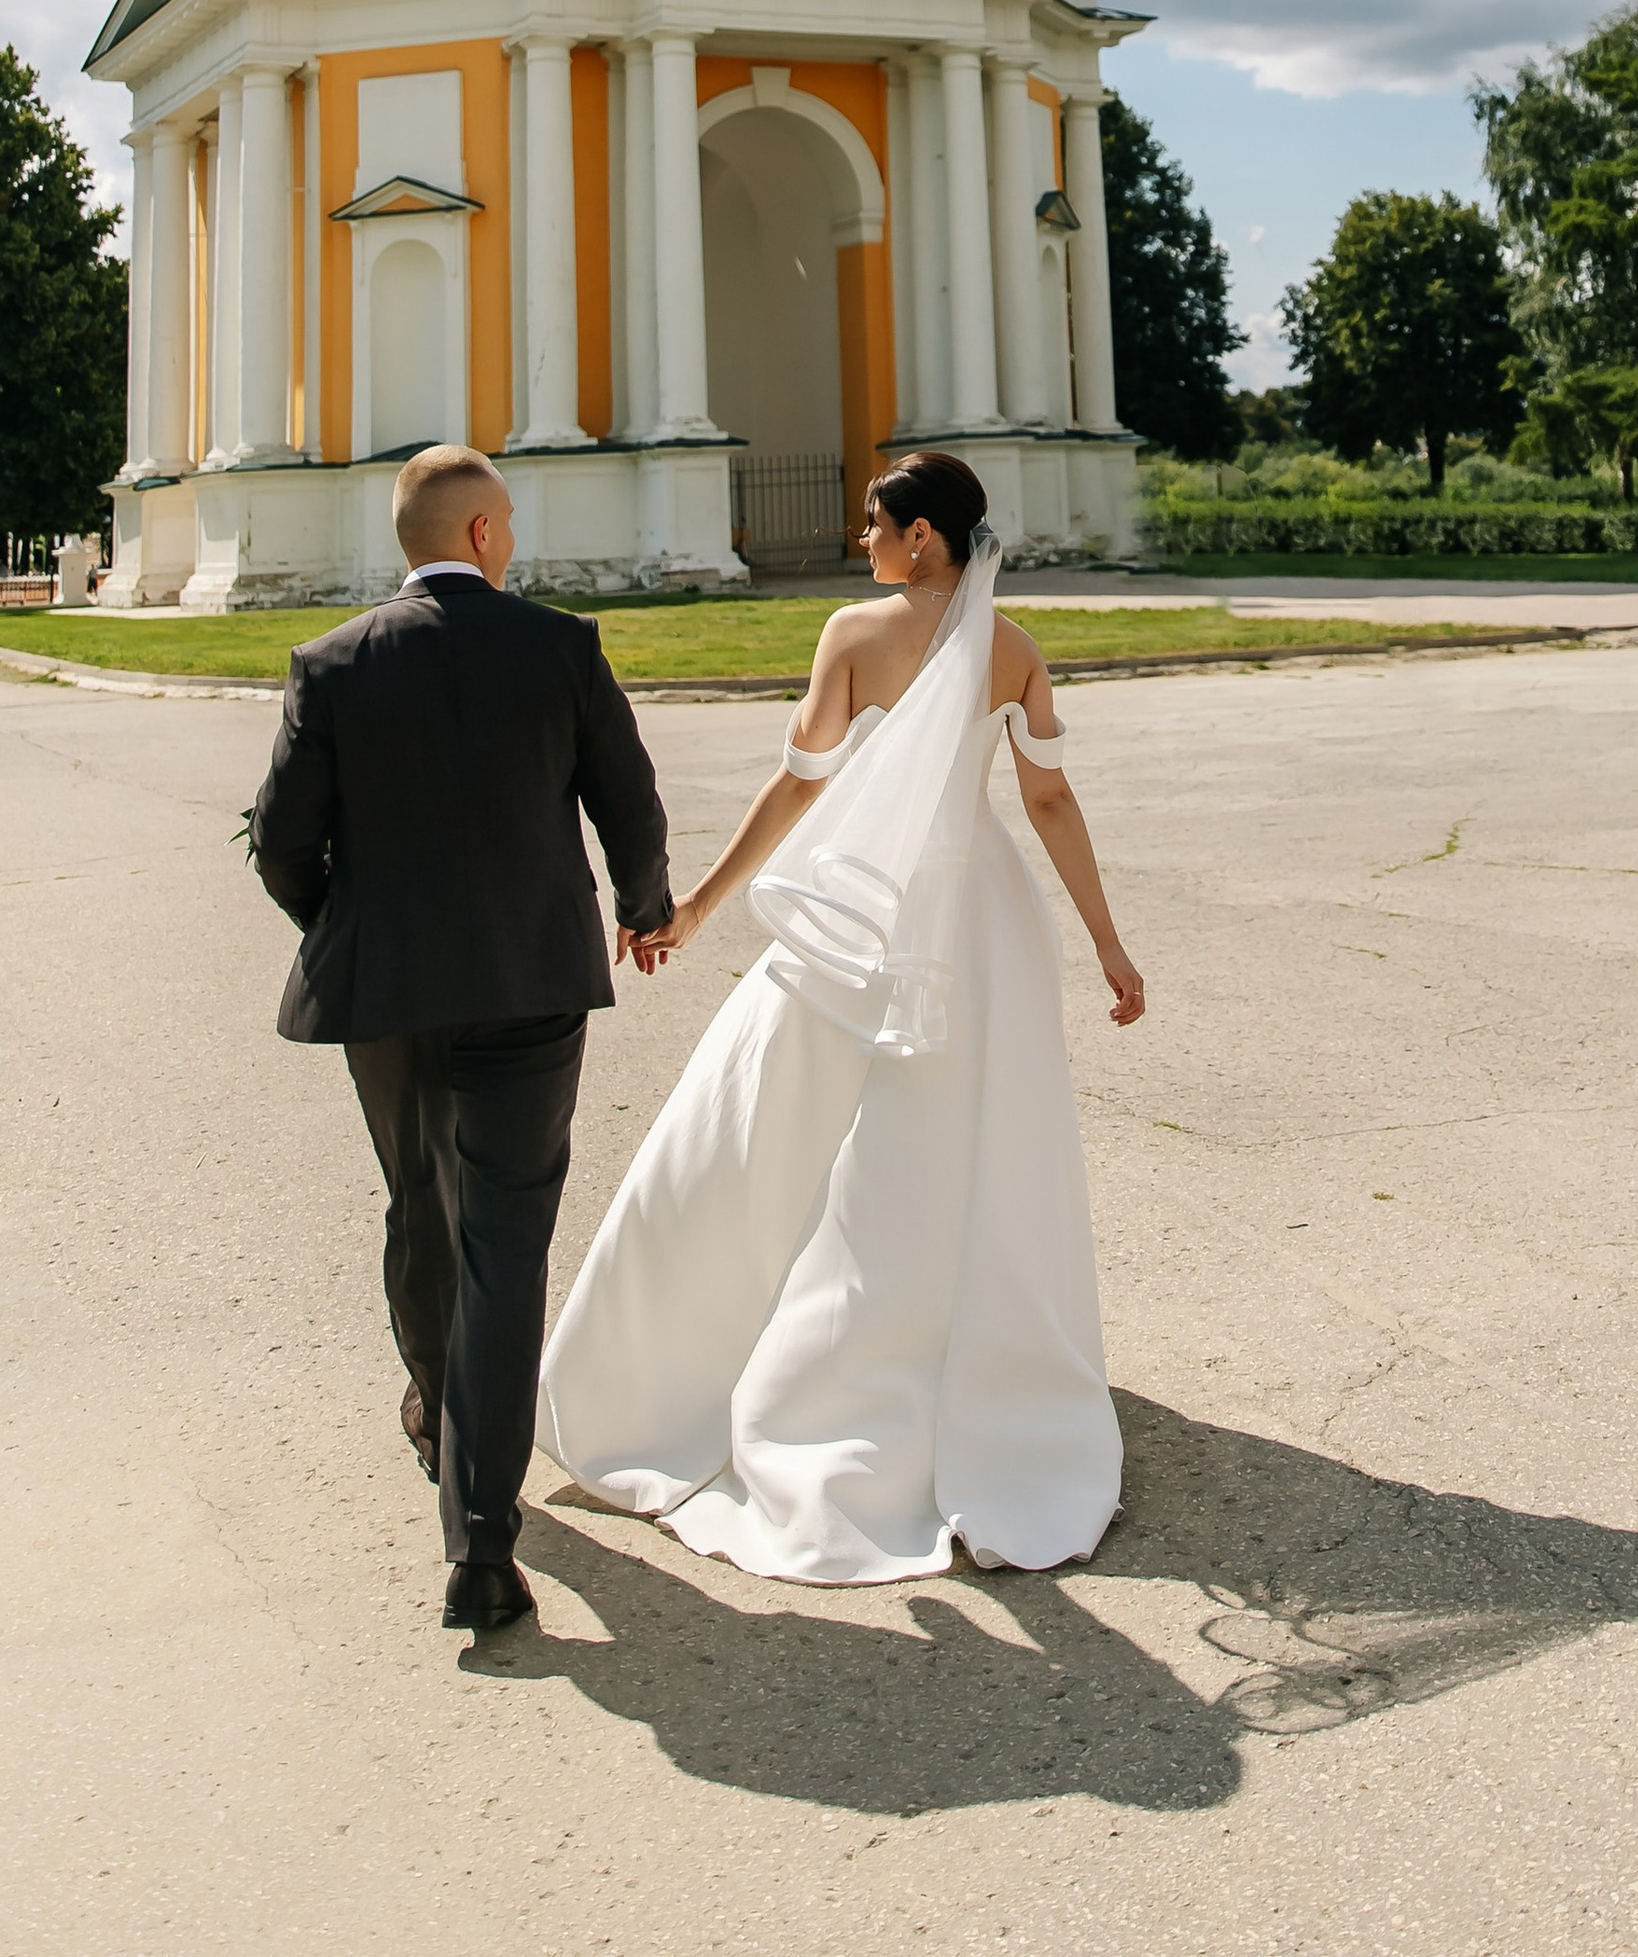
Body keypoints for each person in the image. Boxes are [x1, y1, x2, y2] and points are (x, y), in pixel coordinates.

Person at [537, 448, 1145, 1585]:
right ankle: (957, 1361)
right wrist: (1108, 944)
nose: (860, 537)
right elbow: (1048, 797)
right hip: (981, 919)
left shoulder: (854, 639)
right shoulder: (1012, 652)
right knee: (961, 1141)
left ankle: (755, 1365)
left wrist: (699, 909)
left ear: (923, 537)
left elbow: (801, 784)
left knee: (766, 1127)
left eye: (874, 521)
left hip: (861, 911)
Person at [248, 445, 671, 1638]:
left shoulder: (329, 663)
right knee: (506, 1240)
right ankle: (483, 1540)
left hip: (386, 995)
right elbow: (627, 802)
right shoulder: (561, 647)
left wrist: (347, 927)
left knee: (416, 1205)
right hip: (529, 986)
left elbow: (283, 842)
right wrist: (645, 906)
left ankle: (437, 1413)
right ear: (486, 534)